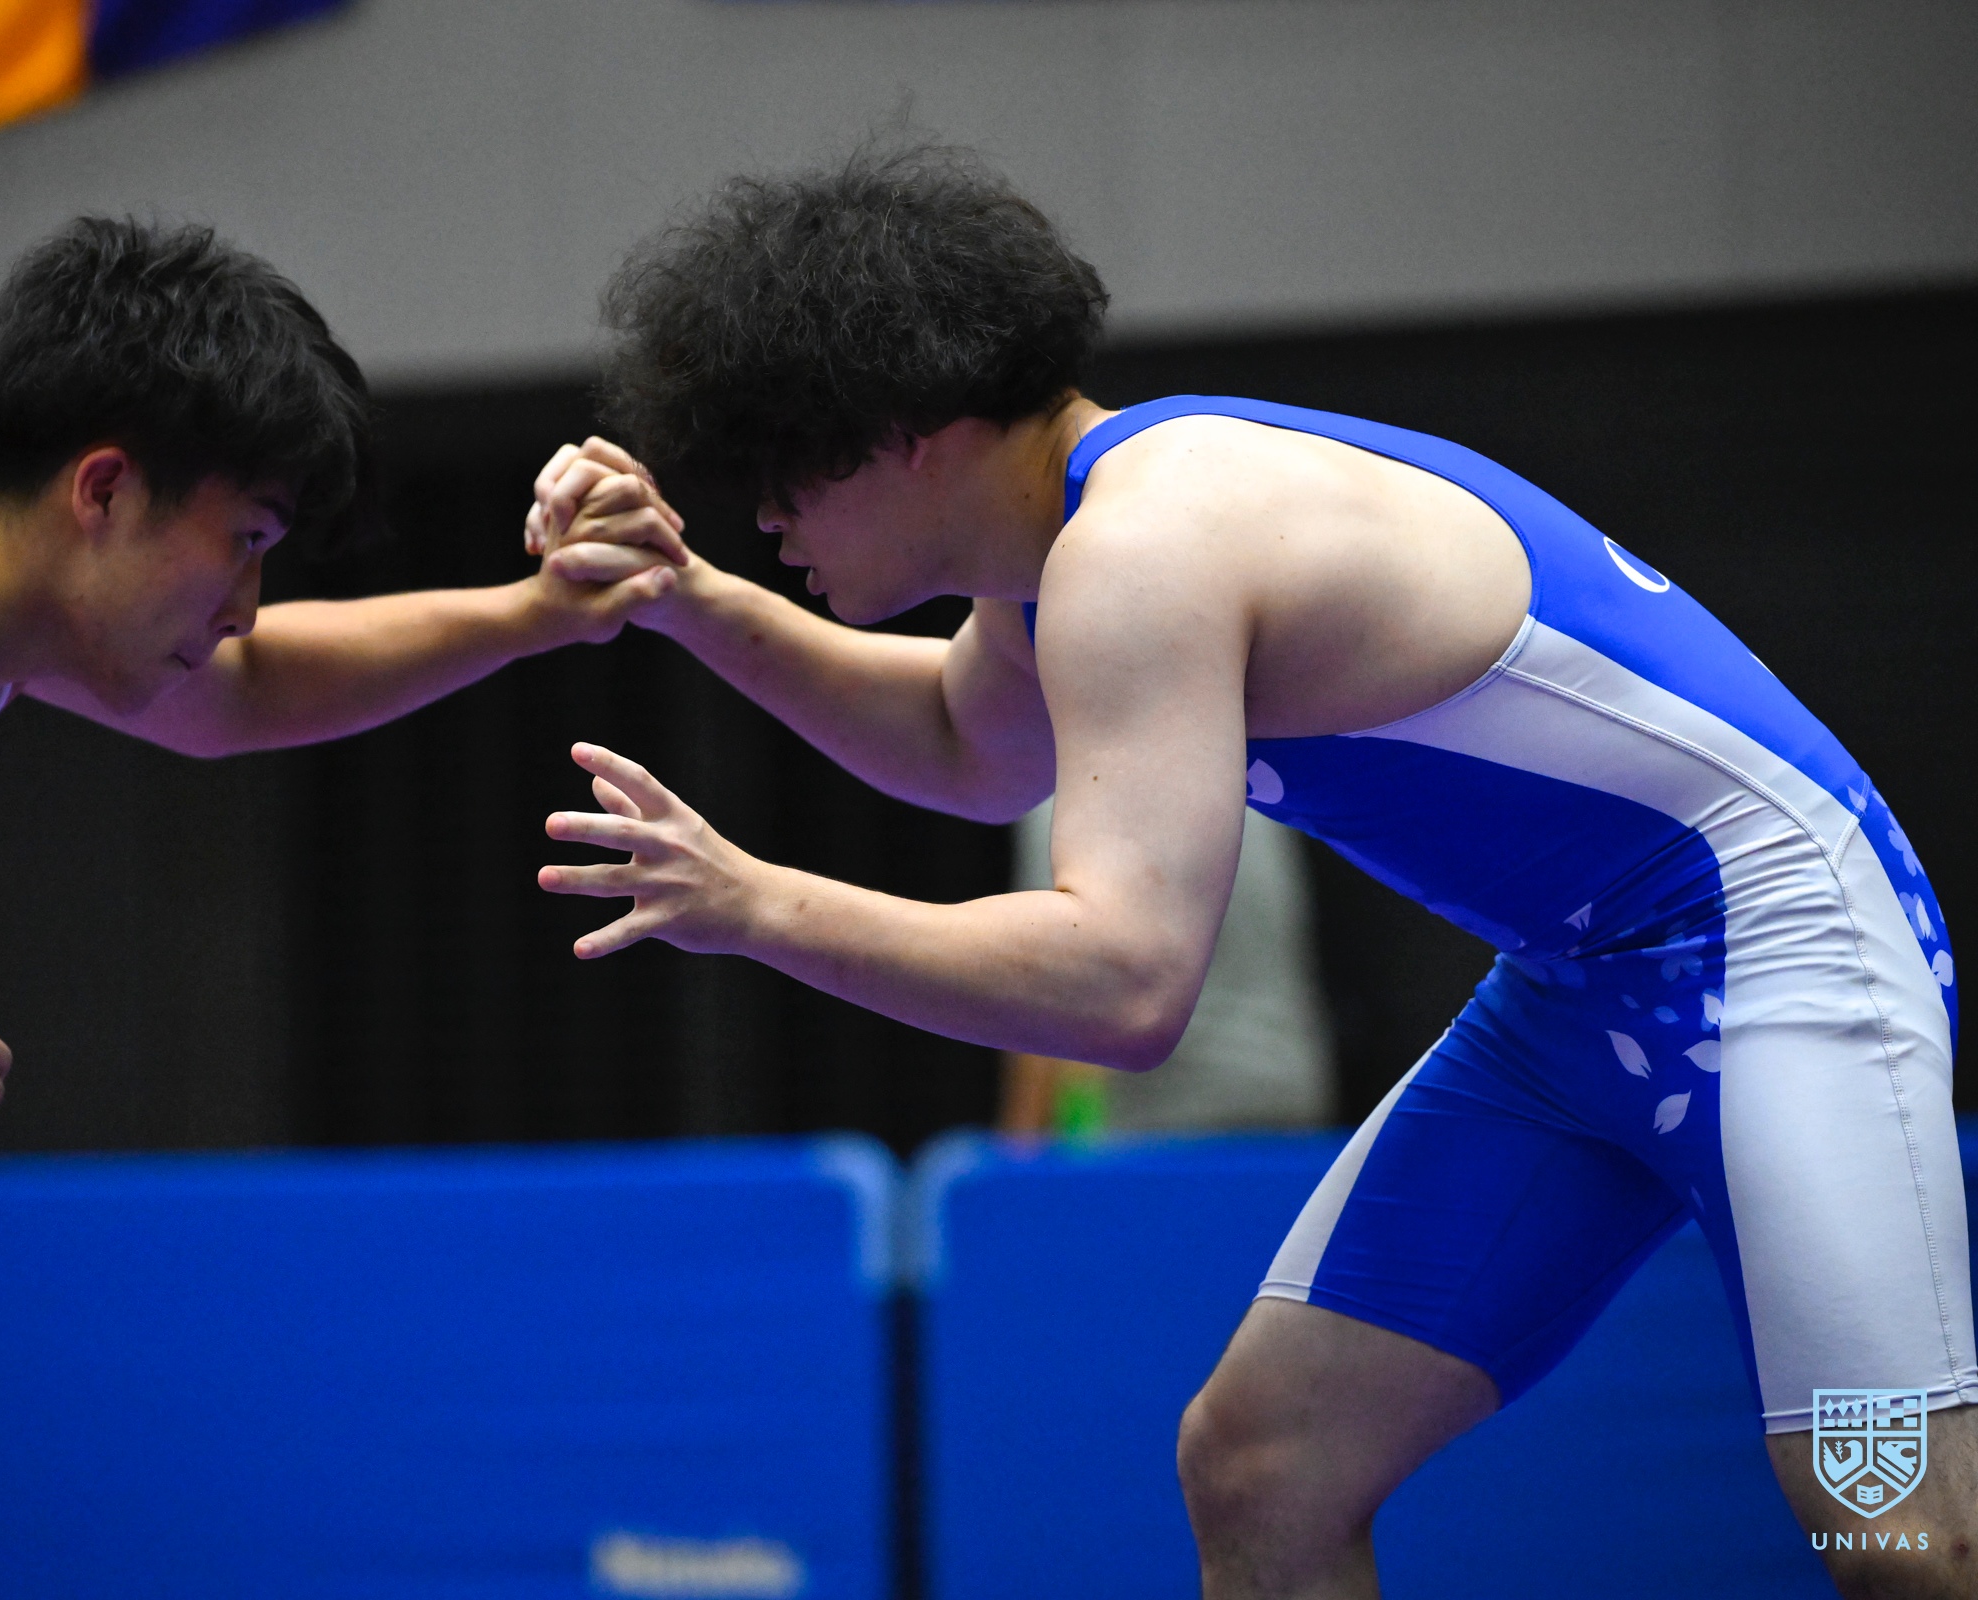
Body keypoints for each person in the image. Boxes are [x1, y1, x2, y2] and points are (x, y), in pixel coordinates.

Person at [525, 144, 1967, 1597]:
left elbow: (1124, 987)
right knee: (1265, 1472)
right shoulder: (1073, 547)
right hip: (1578, 995)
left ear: (911, 430)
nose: (769, 517)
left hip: (1780, 946)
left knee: (1899, 1525)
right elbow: (965, 747)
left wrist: (757, 903)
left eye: (786, 470)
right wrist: (685, 597)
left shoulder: (1145, 545)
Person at [0, 216, 672, 1597]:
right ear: (103, 489)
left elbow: (244, 695)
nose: (245, 602)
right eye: (245, 541)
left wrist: (540, 613)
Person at [999, 799, 1334, 1137]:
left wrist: (1020, 1146)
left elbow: (1052, 979)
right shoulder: (1256, 791)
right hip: (1286, 1090)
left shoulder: (1065, 797)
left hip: (1164, 1111)